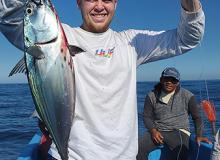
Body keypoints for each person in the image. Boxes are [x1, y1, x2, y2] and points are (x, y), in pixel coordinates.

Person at [0, 0, 205, 159]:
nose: (99, 6)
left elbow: (187, 38)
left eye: (107, 0)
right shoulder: (57, 34)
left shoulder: (132, 43)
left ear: (116, 3)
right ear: (78, 2)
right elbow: (8, 17)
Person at [137, 67, 211, 160]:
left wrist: (199, 135)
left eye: (173, 80)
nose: (169, 82)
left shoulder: (188, 96)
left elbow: (197, 117)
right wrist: (153, 131)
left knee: (180, 150)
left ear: (178, 82)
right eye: (166, 79)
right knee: (137, 147)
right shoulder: (151, 95)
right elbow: (147, 116)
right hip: (158, 131)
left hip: (179, 131)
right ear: (161, 79)